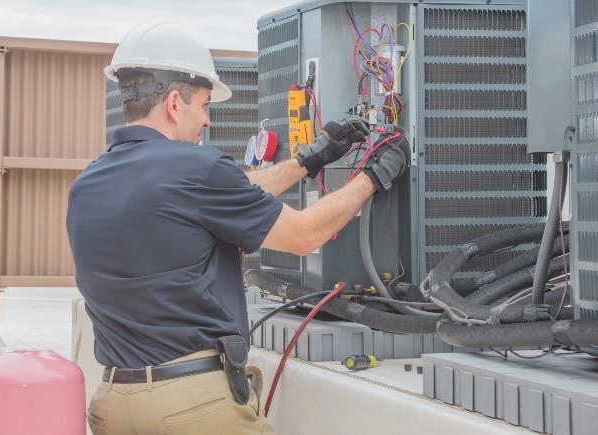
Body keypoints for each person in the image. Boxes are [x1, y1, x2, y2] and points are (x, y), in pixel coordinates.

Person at [66, 21, 409, 435]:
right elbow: (303, 235)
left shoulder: (89, 182)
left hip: (113, 404)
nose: (208, 121)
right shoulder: (196, 168)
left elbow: (229, 192)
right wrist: (373, 176)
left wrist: (310, 160)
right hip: (191, 405)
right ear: (175, 102)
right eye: (205, 104)